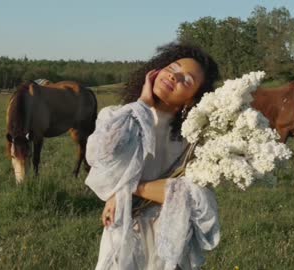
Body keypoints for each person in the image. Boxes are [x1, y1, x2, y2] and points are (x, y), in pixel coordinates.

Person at [85, 43, 220, 270]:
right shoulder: (119, 118)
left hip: (169, 237)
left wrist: (125, 189)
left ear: (191, 100)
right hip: (123, 233)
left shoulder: (193, 140)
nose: (174, 77)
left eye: (186, 80)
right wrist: (142, 105)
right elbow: (101, 158)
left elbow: (192, 196)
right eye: (172, 67)